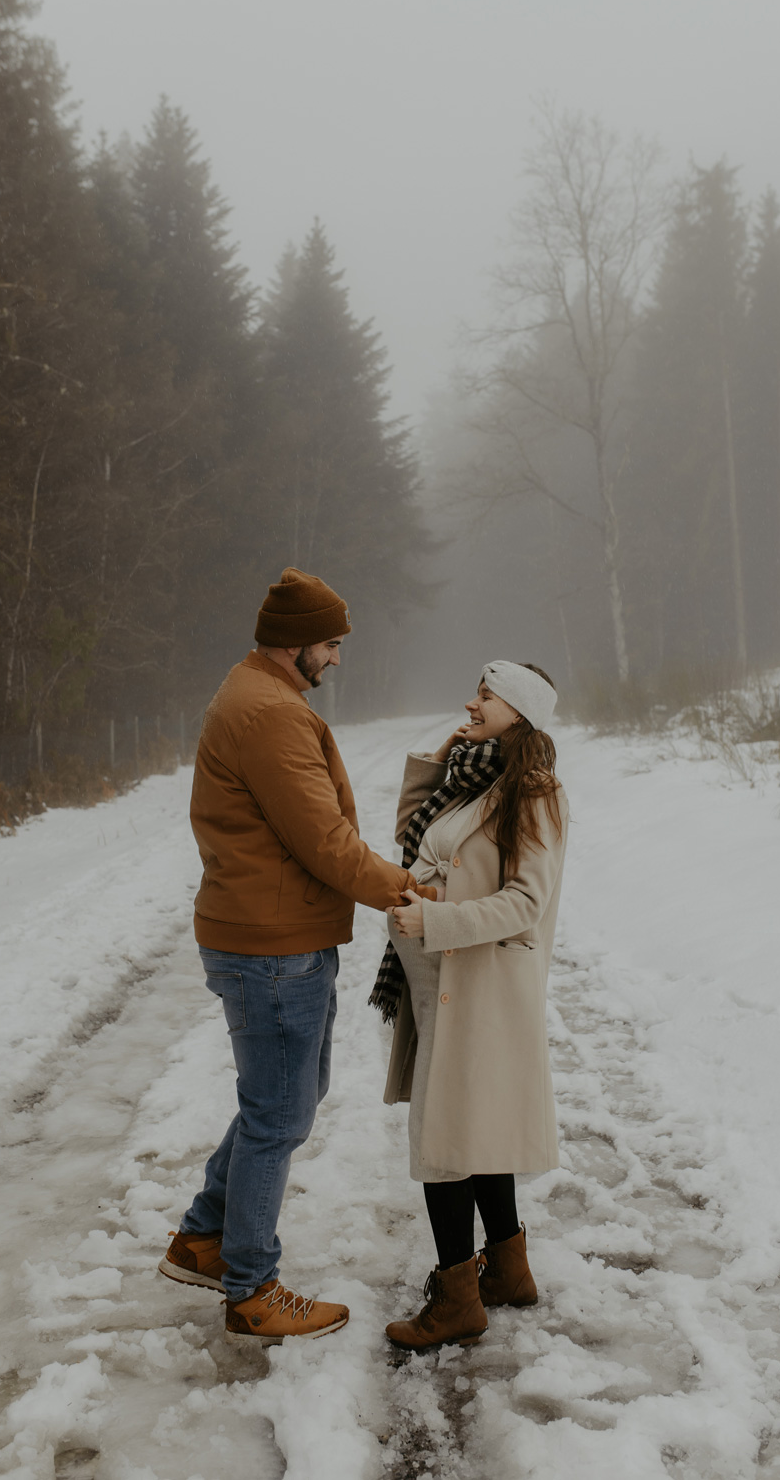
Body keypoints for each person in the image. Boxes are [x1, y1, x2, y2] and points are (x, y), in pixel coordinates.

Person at [159, 566, 436, 1345]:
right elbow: (324, 841)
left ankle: (204, 1238)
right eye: (333, 643)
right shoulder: (271, 715)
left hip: (273, 935)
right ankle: (250, 1286)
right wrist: (404, 889)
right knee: (279, 1112)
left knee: (282, 1101)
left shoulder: (257, 695)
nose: (339, 657)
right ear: (297, 643)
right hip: (271, 947)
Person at [370, 660, 568, 1352]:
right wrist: (442, 758)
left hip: (478, 987)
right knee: (470, 1128)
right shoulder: (473, 776)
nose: (470, 702)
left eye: (484, 695)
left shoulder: (533, 793)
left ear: (518, 709)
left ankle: (457, 1298)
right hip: (440, 985)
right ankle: (508, 1271)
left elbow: (524, 904)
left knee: (446, 1143)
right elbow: (412, 839)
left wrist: (438, 920)